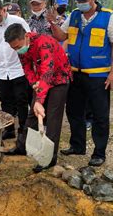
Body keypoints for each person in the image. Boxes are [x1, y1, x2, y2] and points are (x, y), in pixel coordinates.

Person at [48, 0, 113, 167]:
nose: (81, 2)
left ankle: (99, 152)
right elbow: (61, 36)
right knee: (74, 111)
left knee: (99, 115)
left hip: (98, 75)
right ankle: (77, 145)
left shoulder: (108, 17)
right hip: (74, 73)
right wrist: (52, 23)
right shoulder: (73, 15)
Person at [4, 23, 71, 172]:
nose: (17, 50)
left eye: (18, 46)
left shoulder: (44, 43)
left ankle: (50, 158)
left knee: (53, 117)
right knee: (32, 115)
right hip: (42, 80)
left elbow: (48, 71)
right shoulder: (21, 48)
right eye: (13, 48)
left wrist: (40, 100)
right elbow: (26, 67)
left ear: (26, 36)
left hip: (59, 80)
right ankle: (21, 146)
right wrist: (34, 82)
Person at [0, 0, 30, 140]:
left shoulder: (18, 21)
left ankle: (24, 131)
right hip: (2, 71)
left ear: (4, 10)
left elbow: (29, 40)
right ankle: (9, 129)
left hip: (18, 69)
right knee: (5, 102)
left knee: (21, 101)